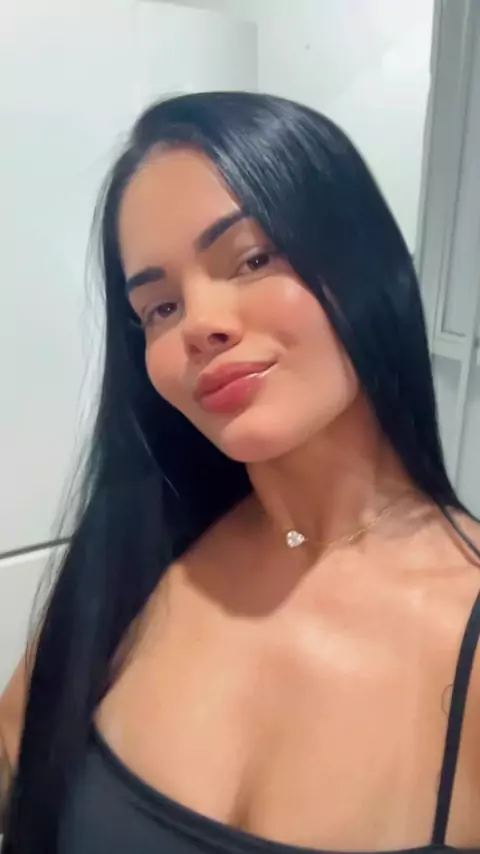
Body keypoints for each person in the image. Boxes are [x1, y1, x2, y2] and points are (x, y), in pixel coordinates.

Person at [1, 91, 480, 854]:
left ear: (366, 265)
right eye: (159, 308)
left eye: (253, 259)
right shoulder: (135, 560)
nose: (198, 324)